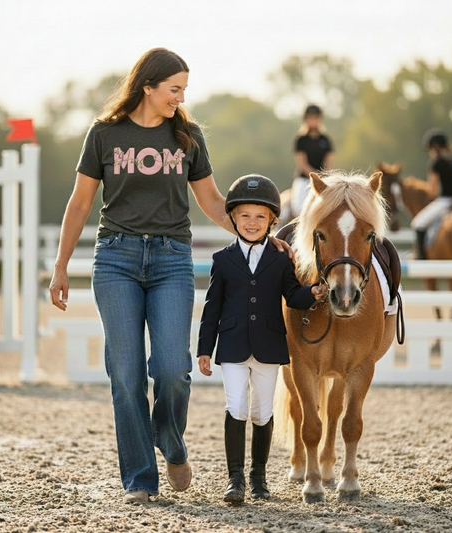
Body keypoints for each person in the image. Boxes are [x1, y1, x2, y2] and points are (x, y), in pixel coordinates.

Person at [48, 48, 292, 505]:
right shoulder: (104, 134)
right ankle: (141, 478)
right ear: (148, 86)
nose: (180, 98)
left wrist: (262, 236)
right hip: (116, 258)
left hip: (171, 261)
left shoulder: (187, 136)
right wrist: (61, 266)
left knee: (171, 370)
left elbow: (214, 202)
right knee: (125, 374)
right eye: (174, 89)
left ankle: (172, 443)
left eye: (184, 90)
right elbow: (80, 203)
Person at [197, 174, 326, 504]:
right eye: (244, 215)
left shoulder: (282, 258)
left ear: (271, 220)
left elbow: (292, 295)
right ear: (233, 218)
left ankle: (259, 478)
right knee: (235, 406)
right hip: (232, 345)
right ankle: (235, 479)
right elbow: (212, 307)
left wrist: (312, 293)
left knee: (262, 412)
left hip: (268, 345)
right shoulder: (223, 260)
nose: (252, 223)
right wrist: (204, 349)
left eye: (260, 216)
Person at [411, 129, 452, 259]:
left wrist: (431, 195)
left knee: (418, 223)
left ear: (435, 147)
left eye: (430, 149)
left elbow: (433, 189)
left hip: (446, 201)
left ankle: (421, 257)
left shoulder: (436, 163)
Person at [291, 104, 334, 217]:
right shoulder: (301, 139)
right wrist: (315, 177)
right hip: (304, 179)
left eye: (316, 118)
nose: (313, 121)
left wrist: (325, 176)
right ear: (306, 119)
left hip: (323, 179)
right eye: (311, 118)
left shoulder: (325, 139)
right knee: (297, 208)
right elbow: (302, 163)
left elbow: (329, 162)